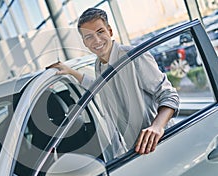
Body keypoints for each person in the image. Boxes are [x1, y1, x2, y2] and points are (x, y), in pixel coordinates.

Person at [49, 7, 179, 155]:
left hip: (162, 142)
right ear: (84, 42)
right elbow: (99, 86)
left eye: (100, 32)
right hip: (136, 151)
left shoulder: (133, 56)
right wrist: (71, 72)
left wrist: (156, 127)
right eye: (89, 37)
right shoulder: (99, 65)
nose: (96, 40)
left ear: (110, 31)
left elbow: (169, 95)